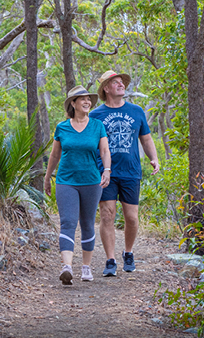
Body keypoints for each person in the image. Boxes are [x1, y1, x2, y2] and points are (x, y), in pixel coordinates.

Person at [89, 70, 159, 277]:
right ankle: (110, 260)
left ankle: (128, 252)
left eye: (122, 82)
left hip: (131, 171)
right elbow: (91, 144)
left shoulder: (136, 111)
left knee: (132, 218)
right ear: (106, 88)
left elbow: (146, 139)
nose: (121, 85)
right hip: (106, 172)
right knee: (107, 215)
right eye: (116, 82)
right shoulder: (96, 115)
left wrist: (153, 157)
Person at [44, 85, 111, 285]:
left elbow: (105, 151)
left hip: (91, 181)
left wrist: (106, 170)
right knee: (67, 222)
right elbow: (55, 155)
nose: (87, 102)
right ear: (73, 103)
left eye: (88, 99)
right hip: (66, 180)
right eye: (82, 99)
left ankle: (86, 267)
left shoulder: (97, 125)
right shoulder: (62, 127)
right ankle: (67, 267)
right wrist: (48, 178)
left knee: (88, 223)